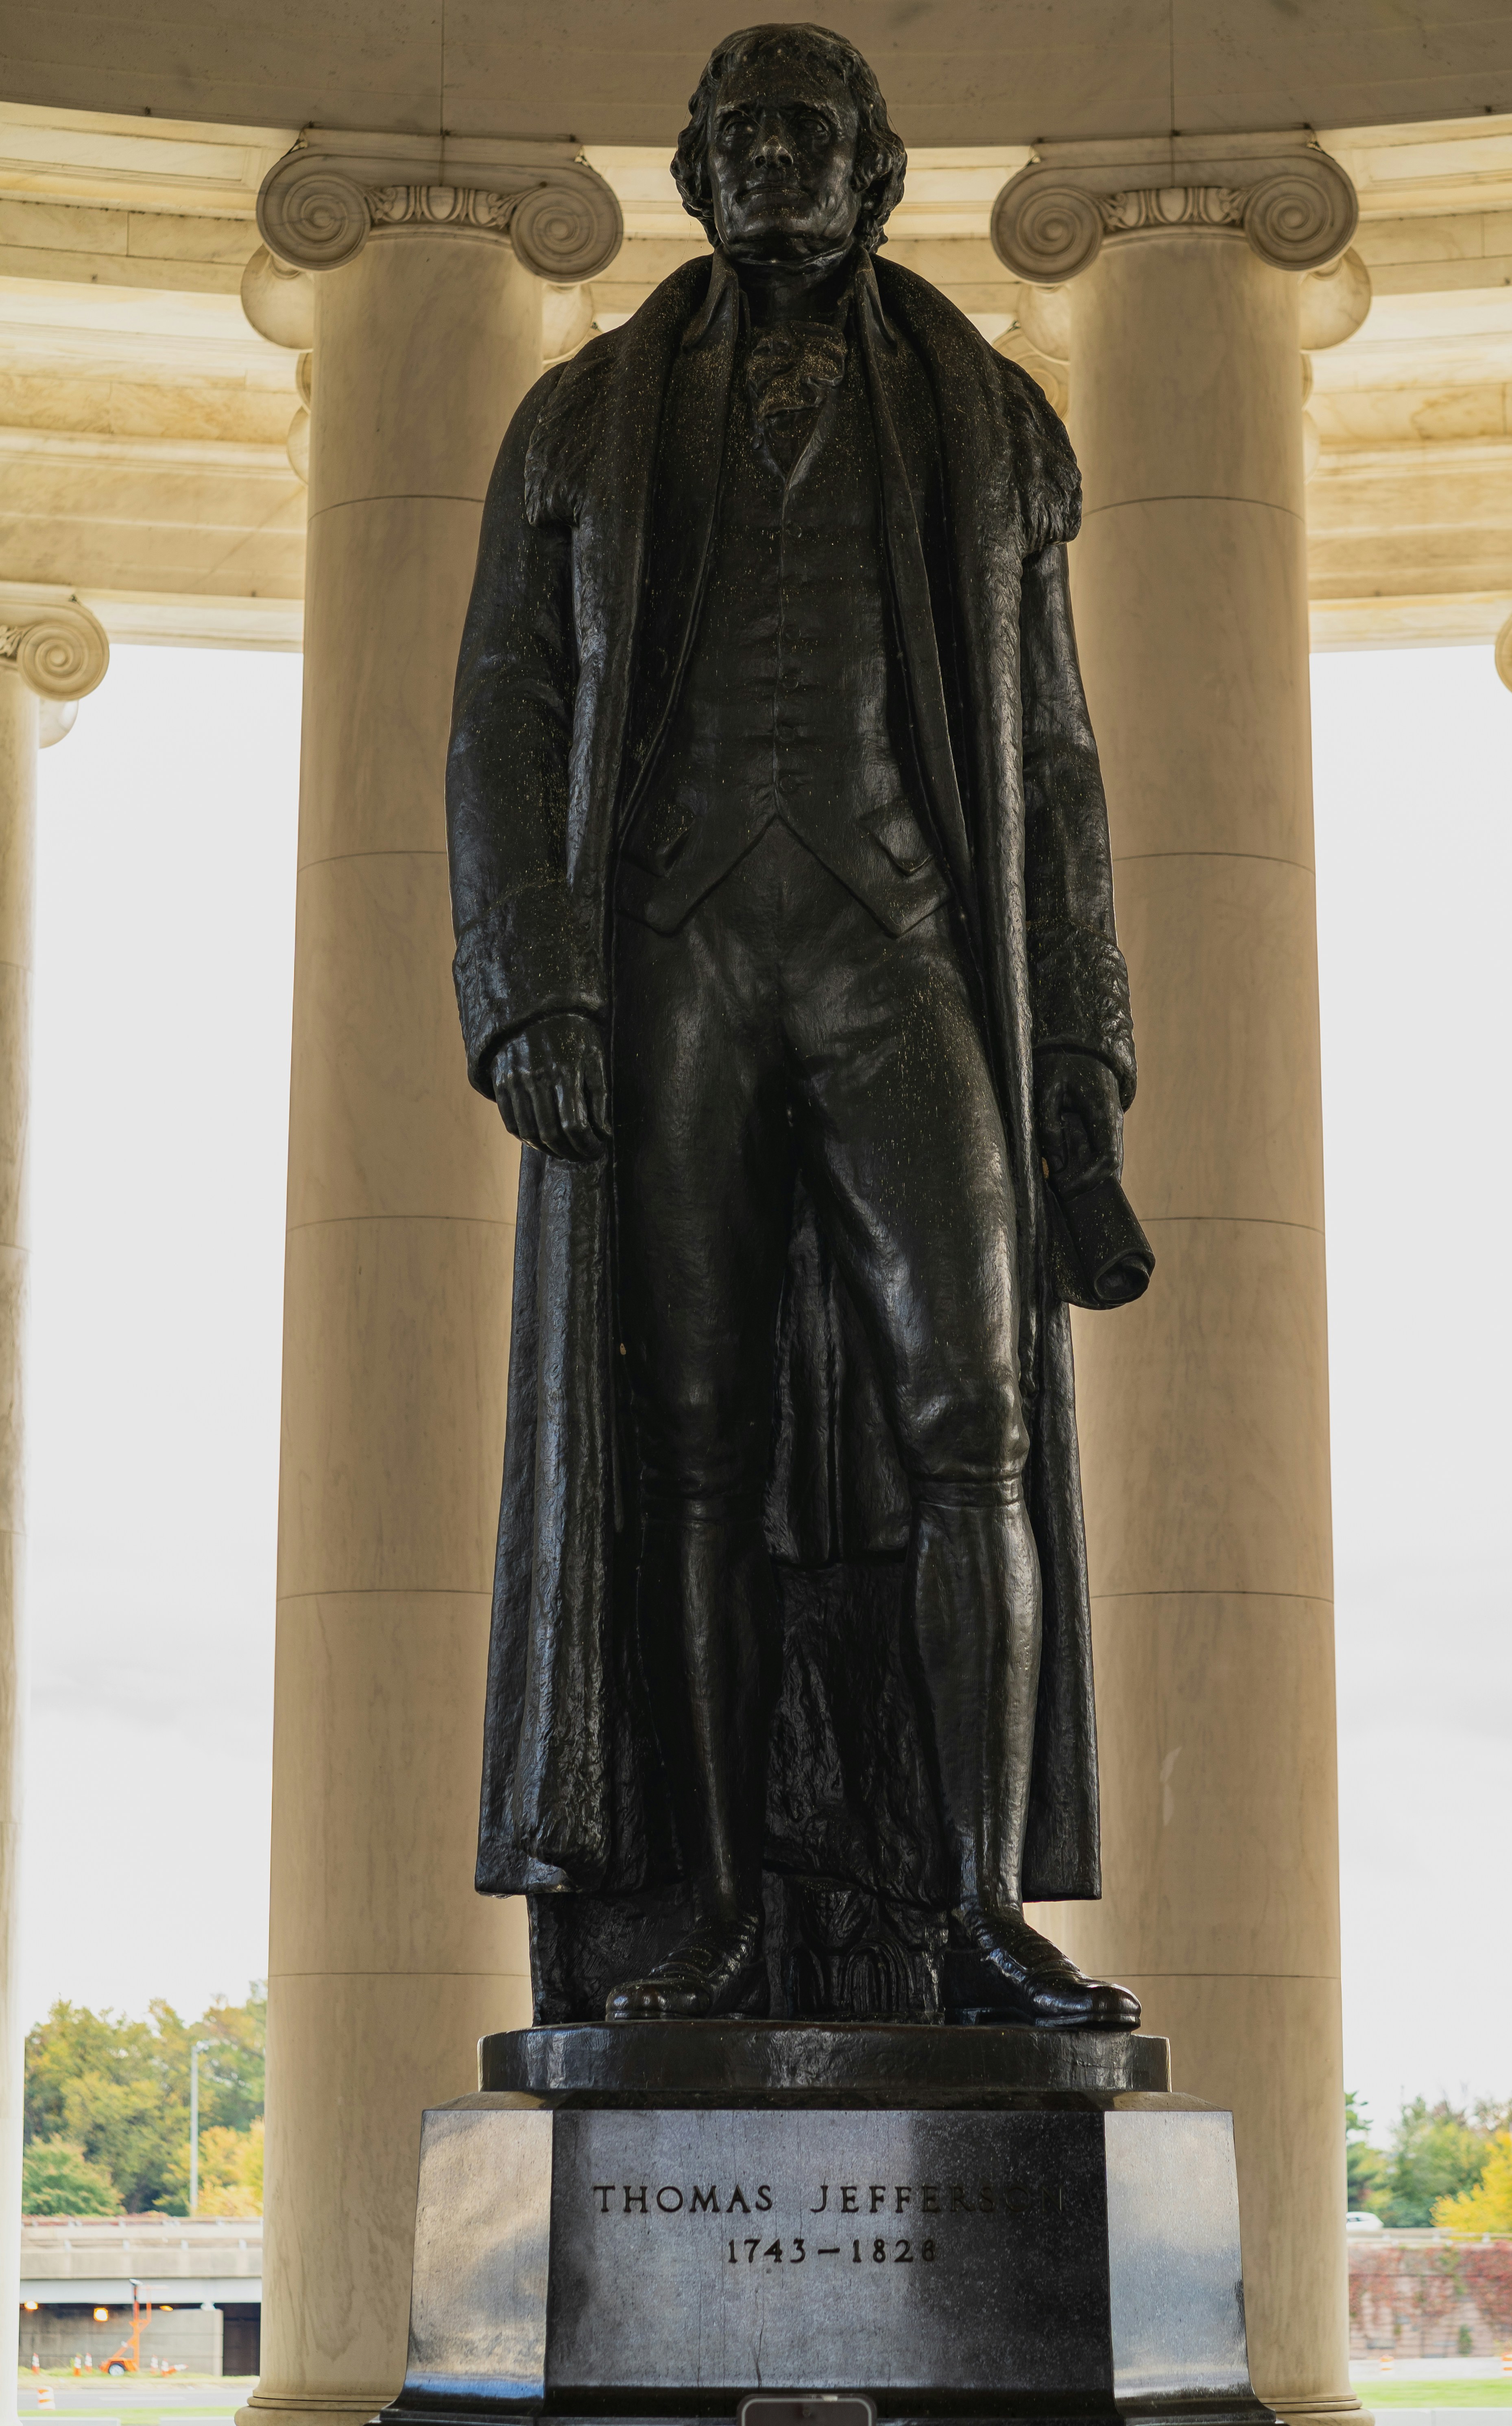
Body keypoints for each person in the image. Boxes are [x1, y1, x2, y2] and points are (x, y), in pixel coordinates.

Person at [448, 22, 1142, 2030]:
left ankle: (969, 1910)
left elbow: (1054, 757)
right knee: (689, 1452)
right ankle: (727, 1910)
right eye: (736, 137)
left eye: (804, 134)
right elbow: (505, 713)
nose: (768, 163)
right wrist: (530, 987)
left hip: (901, 949)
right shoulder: (577, 421)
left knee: (974, 1421)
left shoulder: (994, 425)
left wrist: (1083, 1051)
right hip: (667, 959)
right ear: (690, 173)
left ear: (871, 168)